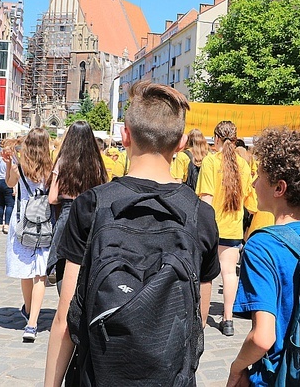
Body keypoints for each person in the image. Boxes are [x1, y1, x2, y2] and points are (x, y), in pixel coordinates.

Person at [45, 81, 220, 386]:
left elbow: (65, 319)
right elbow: (198, 319)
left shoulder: (92, 205)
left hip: (96, 375)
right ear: (181, 144)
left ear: (125, 136)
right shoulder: (200, 215)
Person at [227, 127, 300, 387]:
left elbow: (262, 338)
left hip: (280, 375)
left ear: (279, 187)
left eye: (259, 176)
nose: (253, 184)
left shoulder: (262, 245)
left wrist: (236, 368)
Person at [197, 120, 257, 336]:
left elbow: (206, 199)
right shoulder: (243, 165)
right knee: (229, 273)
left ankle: (202, 320)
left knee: (206, 276)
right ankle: (228, 319)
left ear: (216, 138)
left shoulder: (211, 162)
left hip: (212, 228)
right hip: (233, 229)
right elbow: (252, 203)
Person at [46, 120, 107, 294]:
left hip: (67, 213)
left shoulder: (62, 162)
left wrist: (66, 196)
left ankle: (64, 305)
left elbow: (51, 199)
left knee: (63, 263)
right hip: (91, 215)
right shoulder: (96, 163)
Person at [4, 127, 53, 342]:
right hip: (43, 222)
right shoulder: (51, 169)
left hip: (23, 222)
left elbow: (9, 184)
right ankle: (32, 324)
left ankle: (28, 310)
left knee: (25, 270)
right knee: (40, 274)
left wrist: (8, 165)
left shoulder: (20, 167)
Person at [0, 143, 15, 234]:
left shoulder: (0, 160)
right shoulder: (11, 161)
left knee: (0, 204)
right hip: (7, 182)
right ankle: (7, 224)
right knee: (9, 204)